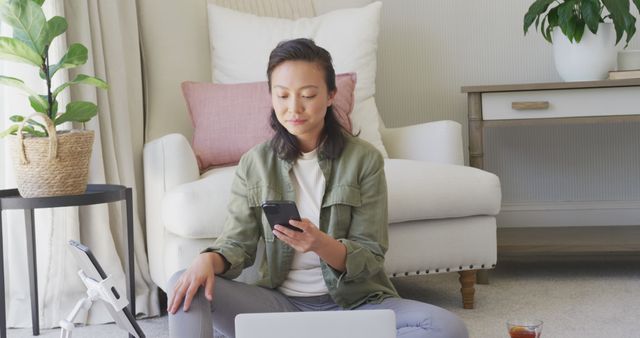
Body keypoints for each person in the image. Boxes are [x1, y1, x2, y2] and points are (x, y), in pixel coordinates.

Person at [167, 38, 468, 338]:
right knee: (185, 282)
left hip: (354, 305)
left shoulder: (364, 160)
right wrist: (208, 259)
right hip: (278, 307)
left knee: (446, 327)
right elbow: (238, 244)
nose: (294, 108)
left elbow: (371, 256)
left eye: (308, 95)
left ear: (330, 95)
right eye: (282, 95)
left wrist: (320, 243)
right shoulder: (254, 163)